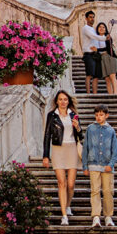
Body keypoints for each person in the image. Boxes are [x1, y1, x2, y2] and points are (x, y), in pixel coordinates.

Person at [42, 89, 82, 226]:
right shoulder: (52, 116)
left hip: (72, 149)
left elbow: (81, 136)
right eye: (60, 99)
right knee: (62, 182)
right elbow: (47, 136)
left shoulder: (74, 115)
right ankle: (64, 215)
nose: (63, 102)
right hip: (58, 149)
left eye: (65, 99)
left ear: (68, 101)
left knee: (71, 184)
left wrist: (78, 128)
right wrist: (45, 156)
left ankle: (68, 205)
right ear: (56, 101)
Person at [82, 103, 117, 230]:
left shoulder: (111, 131)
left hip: (107, 166)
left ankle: (108, 216)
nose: (99, 117)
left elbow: (115, 150)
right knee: (95, 190)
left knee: (108, 191)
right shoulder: (90, 129)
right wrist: (85, 166)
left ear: (106, 116)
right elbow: (85, 148)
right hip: (93, 164)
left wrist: (111, 164)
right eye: (97, 115)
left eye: (101, 115)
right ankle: (96, 216)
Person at [76, 9, 103, 95]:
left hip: (95, 55)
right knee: (89, 75)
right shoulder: (85, 28)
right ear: (86, 18)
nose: (92, 19)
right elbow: (93, 37)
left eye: (93, 17)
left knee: (96, 76)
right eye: (90, 17)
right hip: (89, 54)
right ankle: (88, 93)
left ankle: (94, 93)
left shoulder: (94, 29)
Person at [95, 20, 117, 95]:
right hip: (102, 58)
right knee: (107, 78)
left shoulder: (107, 37)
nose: (102, 28)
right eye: (100, 27)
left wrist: (109, 40)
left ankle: (115, 94)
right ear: (97, 29)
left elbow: (108, 48)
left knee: (112, 76)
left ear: (105, 29)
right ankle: (110, 94)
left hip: (110, 57)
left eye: (103, 27)